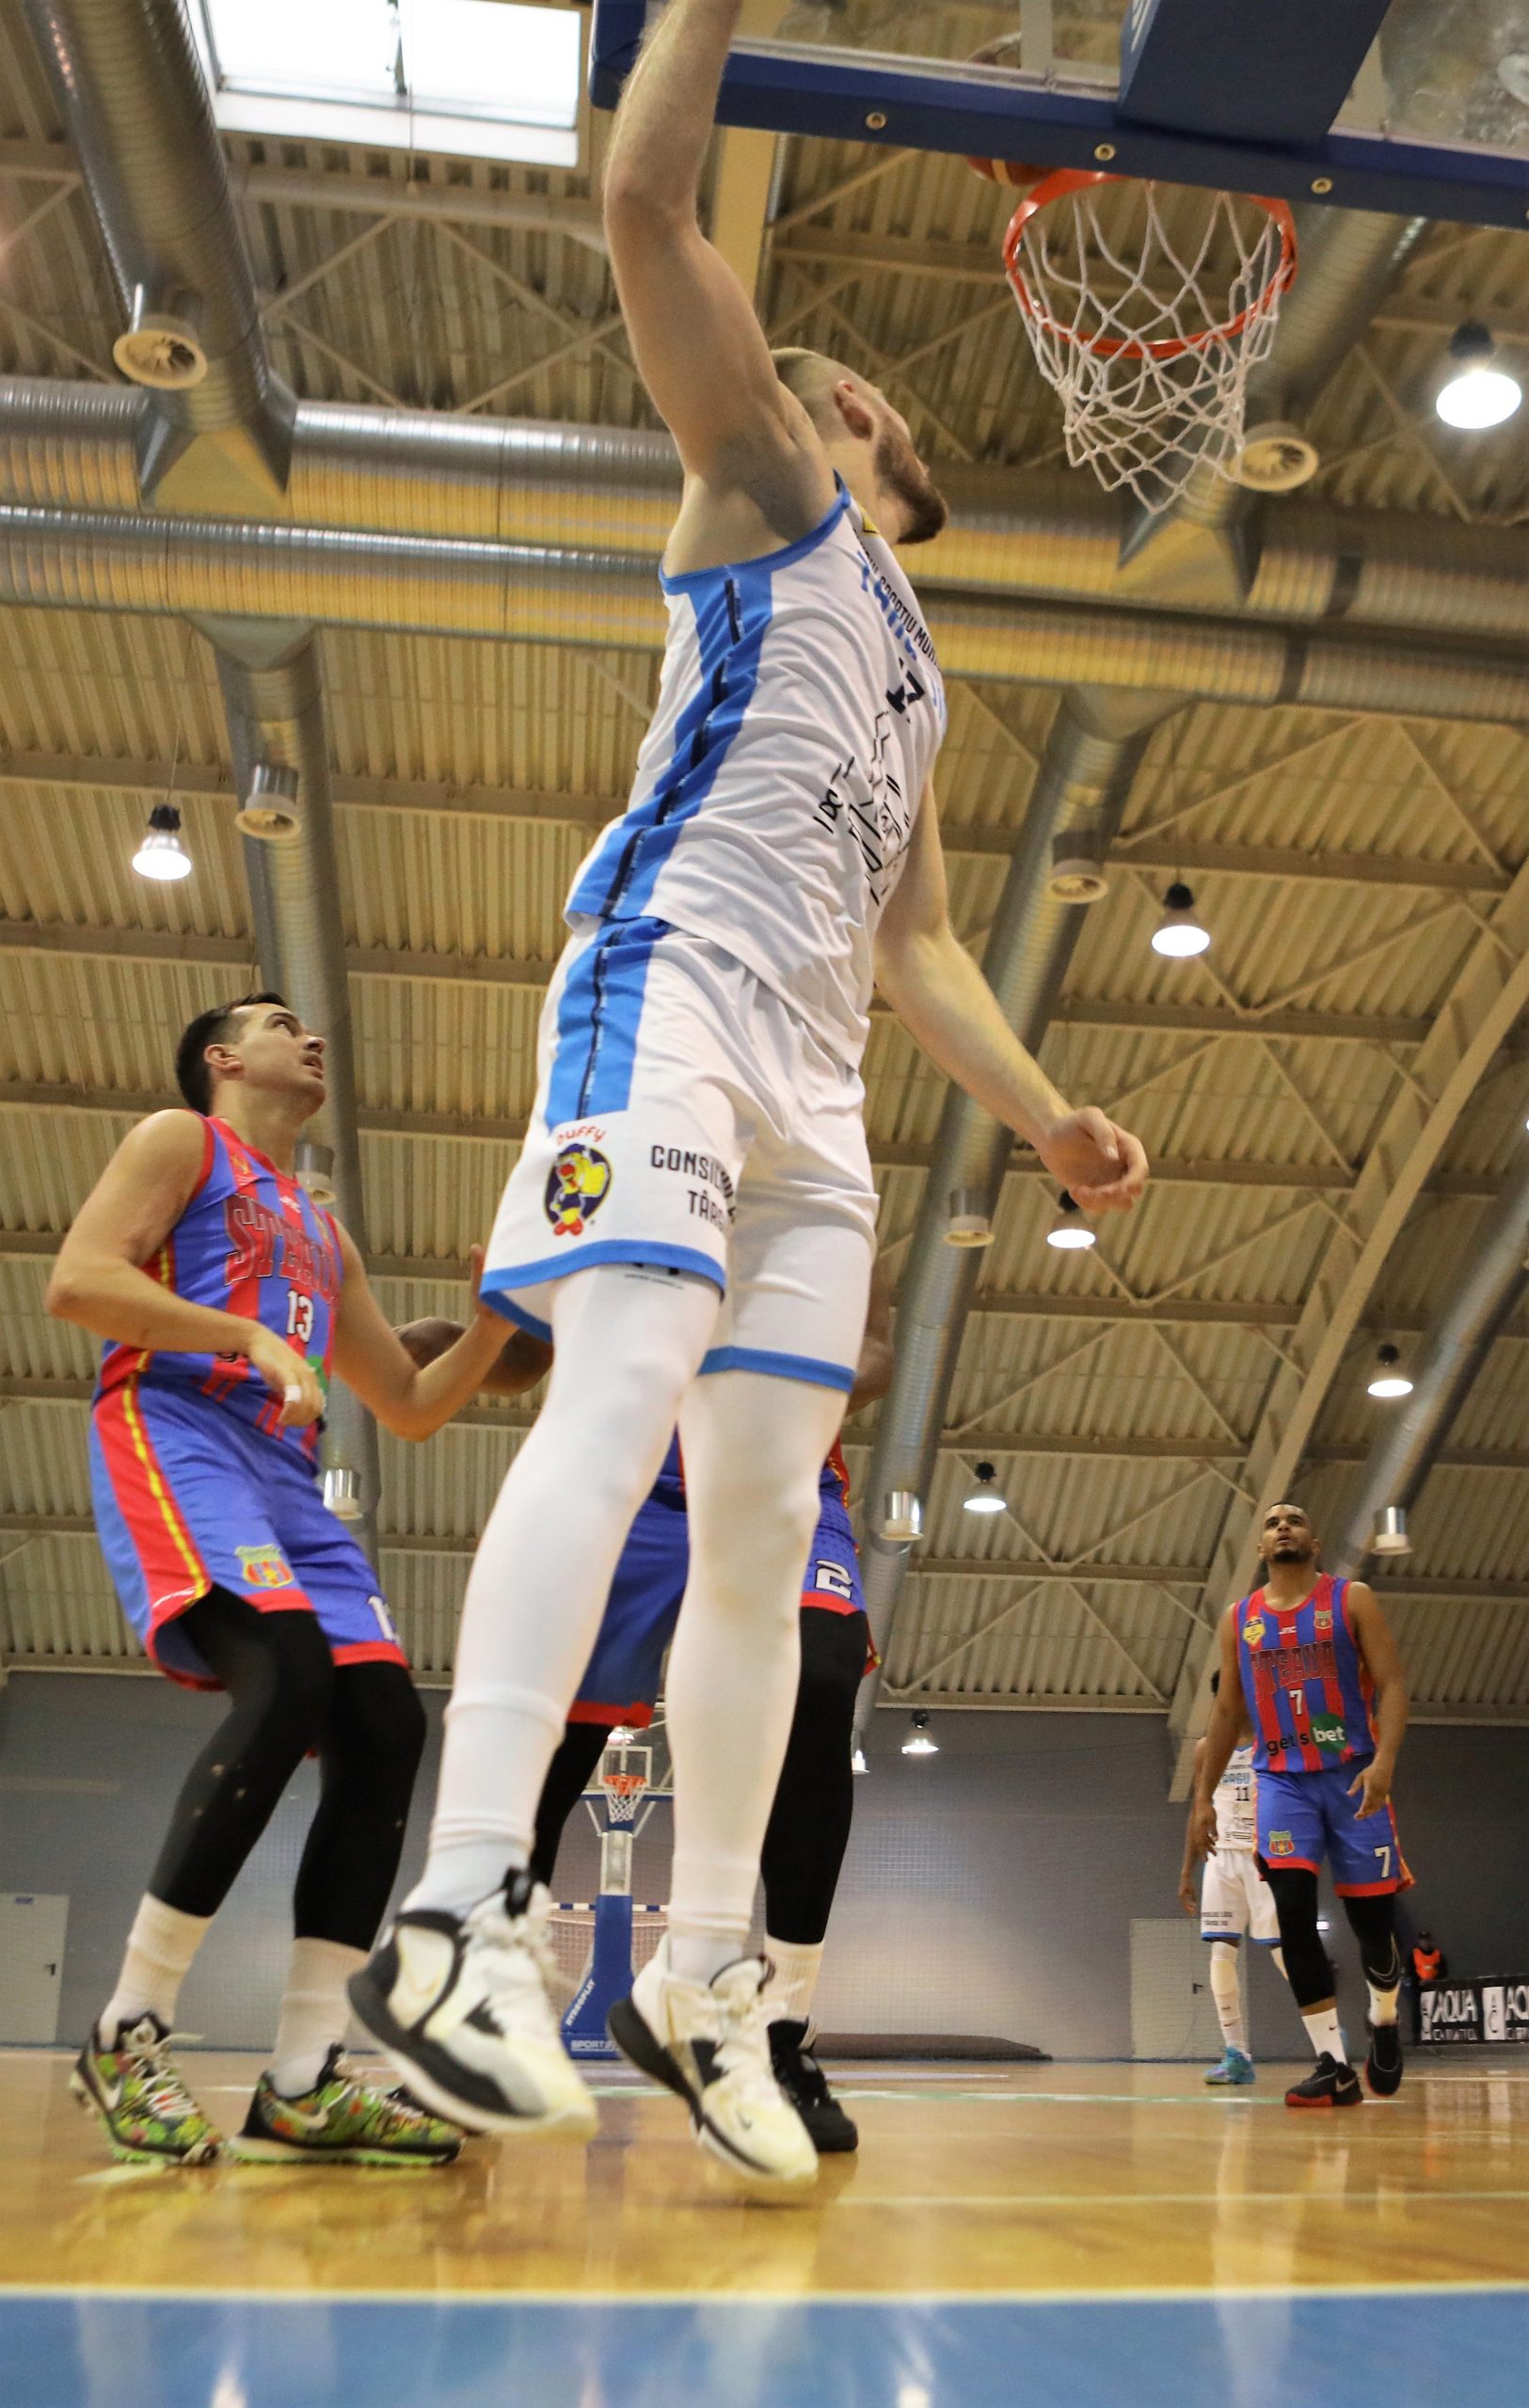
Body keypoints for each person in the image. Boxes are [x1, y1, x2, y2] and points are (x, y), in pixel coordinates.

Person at [349, 0, 1149, 2194]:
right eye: (835, 379)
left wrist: (1048, 1114)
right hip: (672, 993)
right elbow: (640, 198)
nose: (852, 394)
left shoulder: (916, 667)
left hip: (816, 1088)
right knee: (615, 1390)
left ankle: (708, 1966)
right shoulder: (769, 491)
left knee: (770, 1528)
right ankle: (460, 1910)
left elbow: (921, 944)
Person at [47, 992, 537, 2168]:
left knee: (383, 1722)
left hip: (284, 1472)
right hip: (181, 1427)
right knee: (286, 1674)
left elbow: (406, 1405)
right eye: (276, 1023)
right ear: (222, 1057)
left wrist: (485, 1331)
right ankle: (127, 2029)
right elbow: (79, 1282)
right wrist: (246, 1336)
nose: (307, 1036)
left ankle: (305, 2078)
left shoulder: (322, 1228)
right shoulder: (181, 1139)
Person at [398, 1268, 894, 2155]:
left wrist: (768, 1378)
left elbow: (877, 1353)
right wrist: (460, 1340)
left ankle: (779, 2031)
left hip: (776, 1461)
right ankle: (479, 2013)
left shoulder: (831, 1207)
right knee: (556, 1732)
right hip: (629, 1467)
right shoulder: (630, 1196)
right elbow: (530, 1357)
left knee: (818, 1684)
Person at [1192, 1501, 1410, 2111]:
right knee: (1292, 1913)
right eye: (1271, 1522)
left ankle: (1383, 2016)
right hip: (1282, 1782)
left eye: (1293, 1519)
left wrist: (1384, 1762)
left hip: (1351, 1774)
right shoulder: (1239, 1619)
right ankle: (1333, 2065)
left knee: (1373, 1927)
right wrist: (1204, 1799)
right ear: (1260, 1548)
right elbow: (1226, 1711)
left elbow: (1392, 1683)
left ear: (1313, 1542)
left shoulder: (1351, 1599)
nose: (1282, 1525)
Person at [1179, 1672, 1287, 2086]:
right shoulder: (1206, 1749)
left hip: (1264, 1855)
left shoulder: (1273, 1740)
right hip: (1221, 1857)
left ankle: (1328, 2040)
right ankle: (1236, 2054)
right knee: (1221, 1955)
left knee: (1283, 1952)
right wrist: (1186, 1870)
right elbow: (1197, 1811)